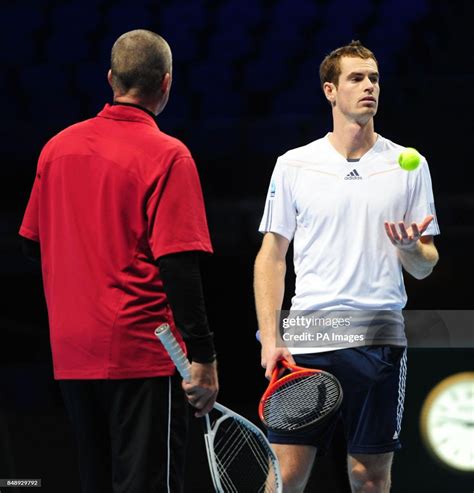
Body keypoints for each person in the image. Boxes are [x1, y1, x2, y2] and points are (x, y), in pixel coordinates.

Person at [19, 30, 218, 493]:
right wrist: (204, 357)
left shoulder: (57, 148)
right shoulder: (169, 155)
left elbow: (32, 244)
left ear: (111, 78)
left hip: (71, 353)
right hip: (142, 353)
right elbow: (179, 268)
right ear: (166, 84)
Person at [254, 40, 440, 493]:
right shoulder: (294, 164)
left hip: (378, 337)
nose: (369, 86)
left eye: (374, 77)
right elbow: (272, 256)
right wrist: (271, 338)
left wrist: (413, 247)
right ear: (330, 91)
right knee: (286, 478)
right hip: (309, 338)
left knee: (369, 479)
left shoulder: (407, 164)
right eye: (356, 78)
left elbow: (424, 267)